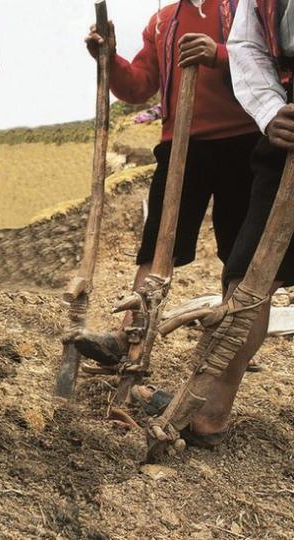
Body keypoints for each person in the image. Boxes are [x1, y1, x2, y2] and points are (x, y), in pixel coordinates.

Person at [138, 0, 294, 449]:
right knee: (245, 279)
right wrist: (269, 110)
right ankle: (208, 412)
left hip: (237, 142)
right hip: (283, 134)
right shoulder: (168, 20)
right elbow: (249, 44)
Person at [75, 0, 261, 370]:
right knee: (158, 241)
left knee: (240, 249)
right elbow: (139, 86)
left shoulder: (246, 8)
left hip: (244, 141)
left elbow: (271, 65)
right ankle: (129, 335)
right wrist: (110, 60)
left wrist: (220, 55)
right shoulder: (163, 20)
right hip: (180, 145)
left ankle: (231, 342)